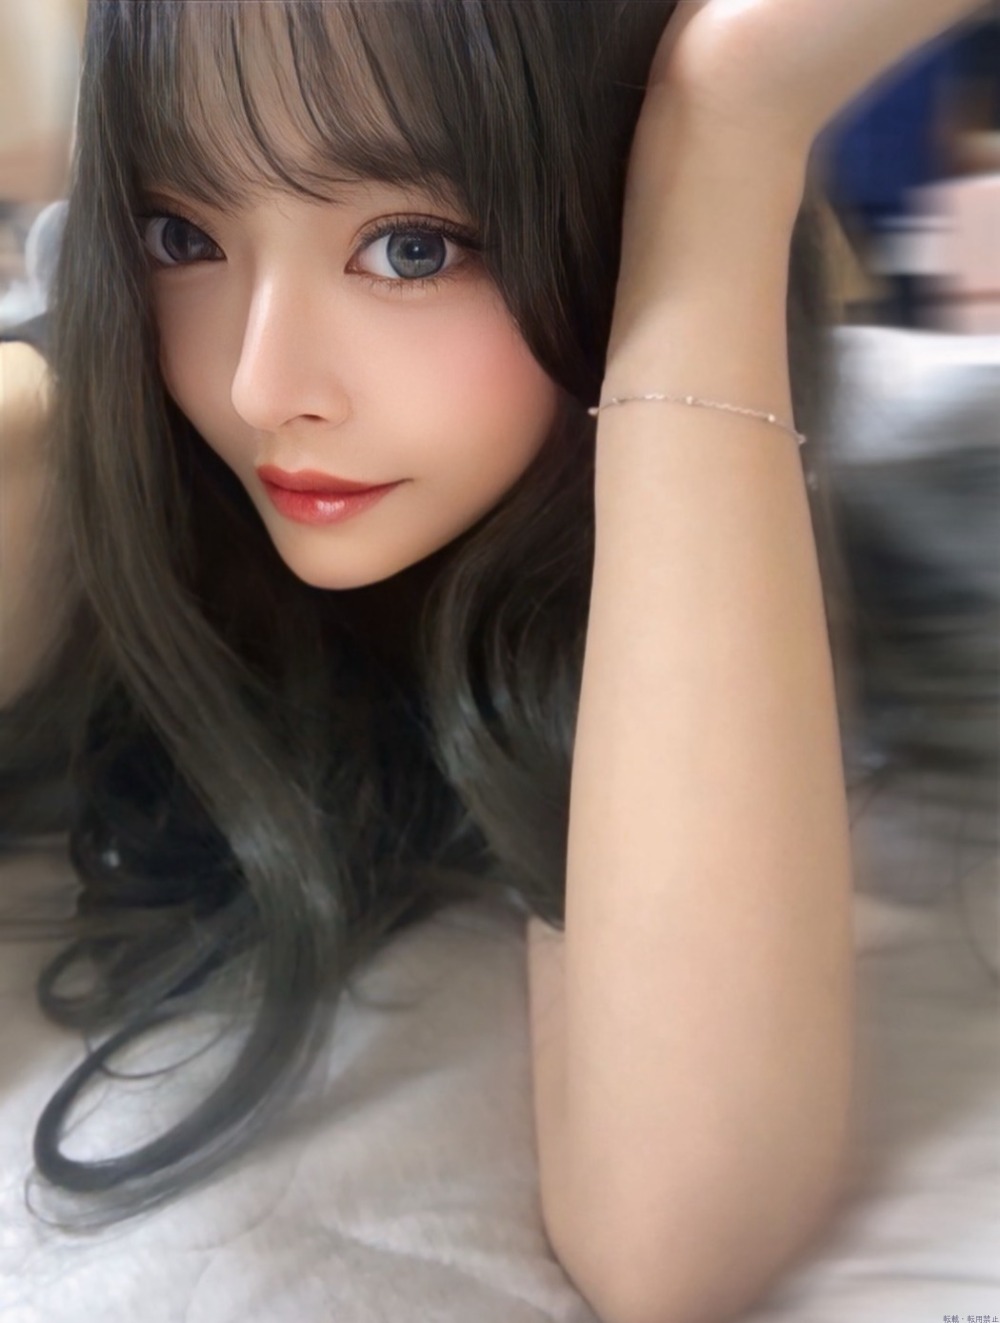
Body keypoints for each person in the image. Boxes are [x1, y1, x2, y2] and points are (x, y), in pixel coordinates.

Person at [0, 2, 986, 1320]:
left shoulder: (649, 536)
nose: (259, 386)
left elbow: (676, 1234)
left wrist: (726, 135)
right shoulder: (56, 458)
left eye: (411, 247)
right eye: (182, 236)